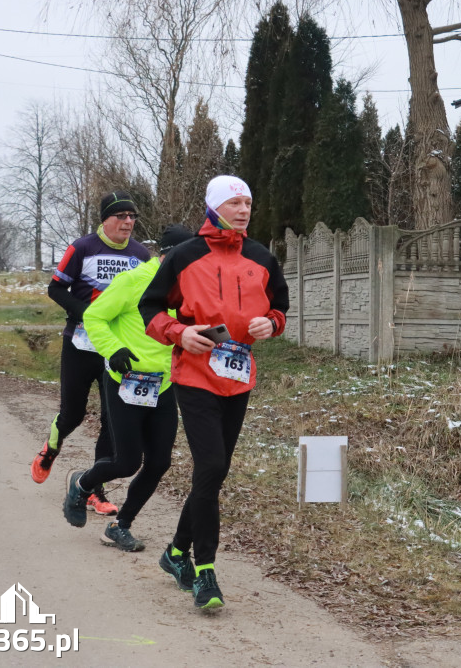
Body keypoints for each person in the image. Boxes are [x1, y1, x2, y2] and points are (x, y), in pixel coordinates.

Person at [139, 175, 288, 611]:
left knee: (213, 473)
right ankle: (204, 570)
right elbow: (150, 307)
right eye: (235, 202)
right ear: (214, 207)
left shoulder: (261, 257)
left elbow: (280, 305)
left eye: (248, 202)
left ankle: (173, 552)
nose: (244, 210)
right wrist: (179, 333)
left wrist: (272, 324)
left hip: (238, 374)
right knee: (212, 464)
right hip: (195, 374)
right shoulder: (185, 256)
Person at [61, 224, 194, 552]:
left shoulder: (188, 289)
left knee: (160, 462)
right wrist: (113, 350)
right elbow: (94, 317)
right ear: (168, 255)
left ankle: (119, 526)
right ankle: (83, 483)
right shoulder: (134, 280)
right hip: (125, 381)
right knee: (126, 461)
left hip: (163, 384)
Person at [31, 191, 151, 518]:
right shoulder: (82, 248)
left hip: (116, 349)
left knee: (113, 421)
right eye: (121, 216)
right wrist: (87, 313)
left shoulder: (141, 255)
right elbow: (55, 289)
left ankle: (94, 490)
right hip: (80, 344)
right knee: (73, 414)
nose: (128, 222)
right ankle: (51, 449)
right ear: (105, 219)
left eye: (132, 216)